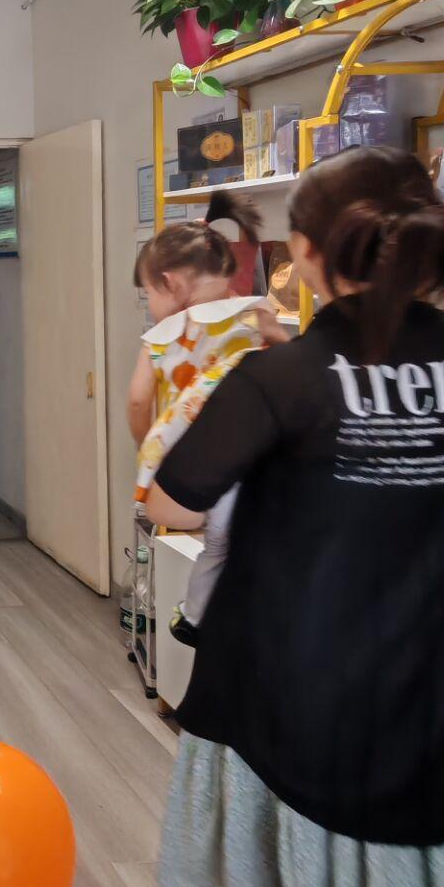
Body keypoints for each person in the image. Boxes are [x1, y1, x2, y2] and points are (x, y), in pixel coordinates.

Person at [146, 146, 444, 887]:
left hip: (287, 688)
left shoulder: (278, 378)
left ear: (306, 253)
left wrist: (210, 388)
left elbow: (173, 504)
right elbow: (369, 408)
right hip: (426, 688)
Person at [127, 194, 282, 645]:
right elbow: (287, 363)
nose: (150, 305)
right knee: (230, 536)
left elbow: (138, 400)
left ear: (170, 282)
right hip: (253, 453)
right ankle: (201, 614)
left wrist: (147, 443)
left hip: (192, 462)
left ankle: (194, 616)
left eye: (148, 293)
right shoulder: (257, 314)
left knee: (211, 539)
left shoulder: (161, 336)